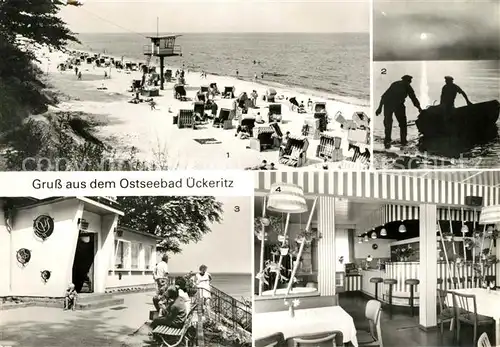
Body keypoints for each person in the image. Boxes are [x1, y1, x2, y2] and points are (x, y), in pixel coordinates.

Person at [375, 75, 422, 149]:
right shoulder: (403, 85)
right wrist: (419, 108)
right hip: (392, 104)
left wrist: (379, 108)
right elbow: (413, 98)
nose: (410, 82)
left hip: (393, 105)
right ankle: (398, 140)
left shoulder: (400, 85)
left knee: (394, 123)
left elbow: (384, 96)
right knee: (397, 123)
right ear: (407, 81)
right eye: (409, 81)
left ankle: (394, 140)